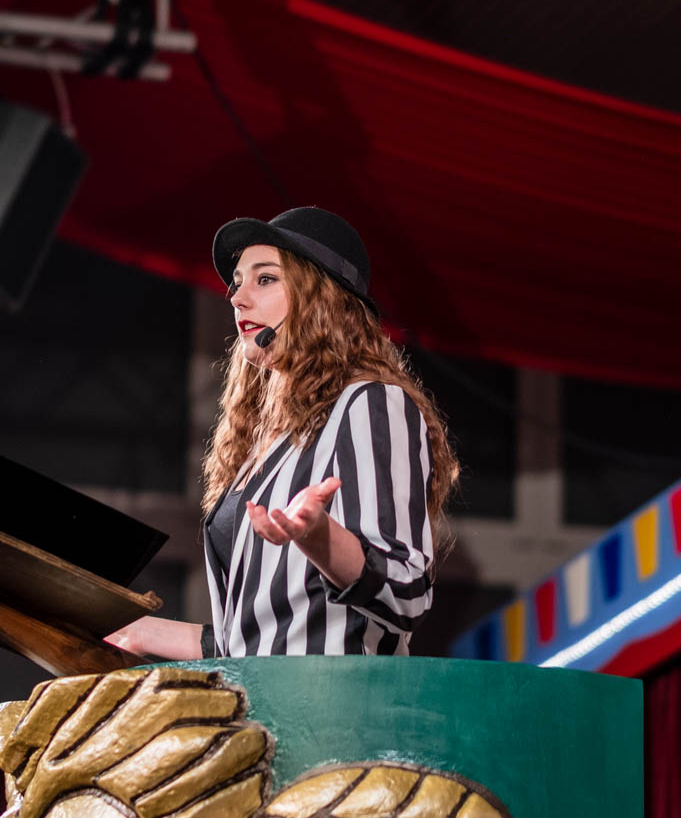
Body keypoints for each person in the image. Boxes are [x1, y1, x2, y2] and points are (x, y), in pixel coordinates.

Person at [106, 207, 458, 660]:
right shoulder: (260, 445)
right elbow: (251, 644)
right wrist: (136, 631)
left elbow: (407, 593)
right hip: (262, 698)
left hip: (339, 701)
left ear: (321, 297)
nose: (237, 298)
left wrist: (319, 538)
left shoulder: (368, 402)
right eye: (237, 283)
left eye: (265, 279)